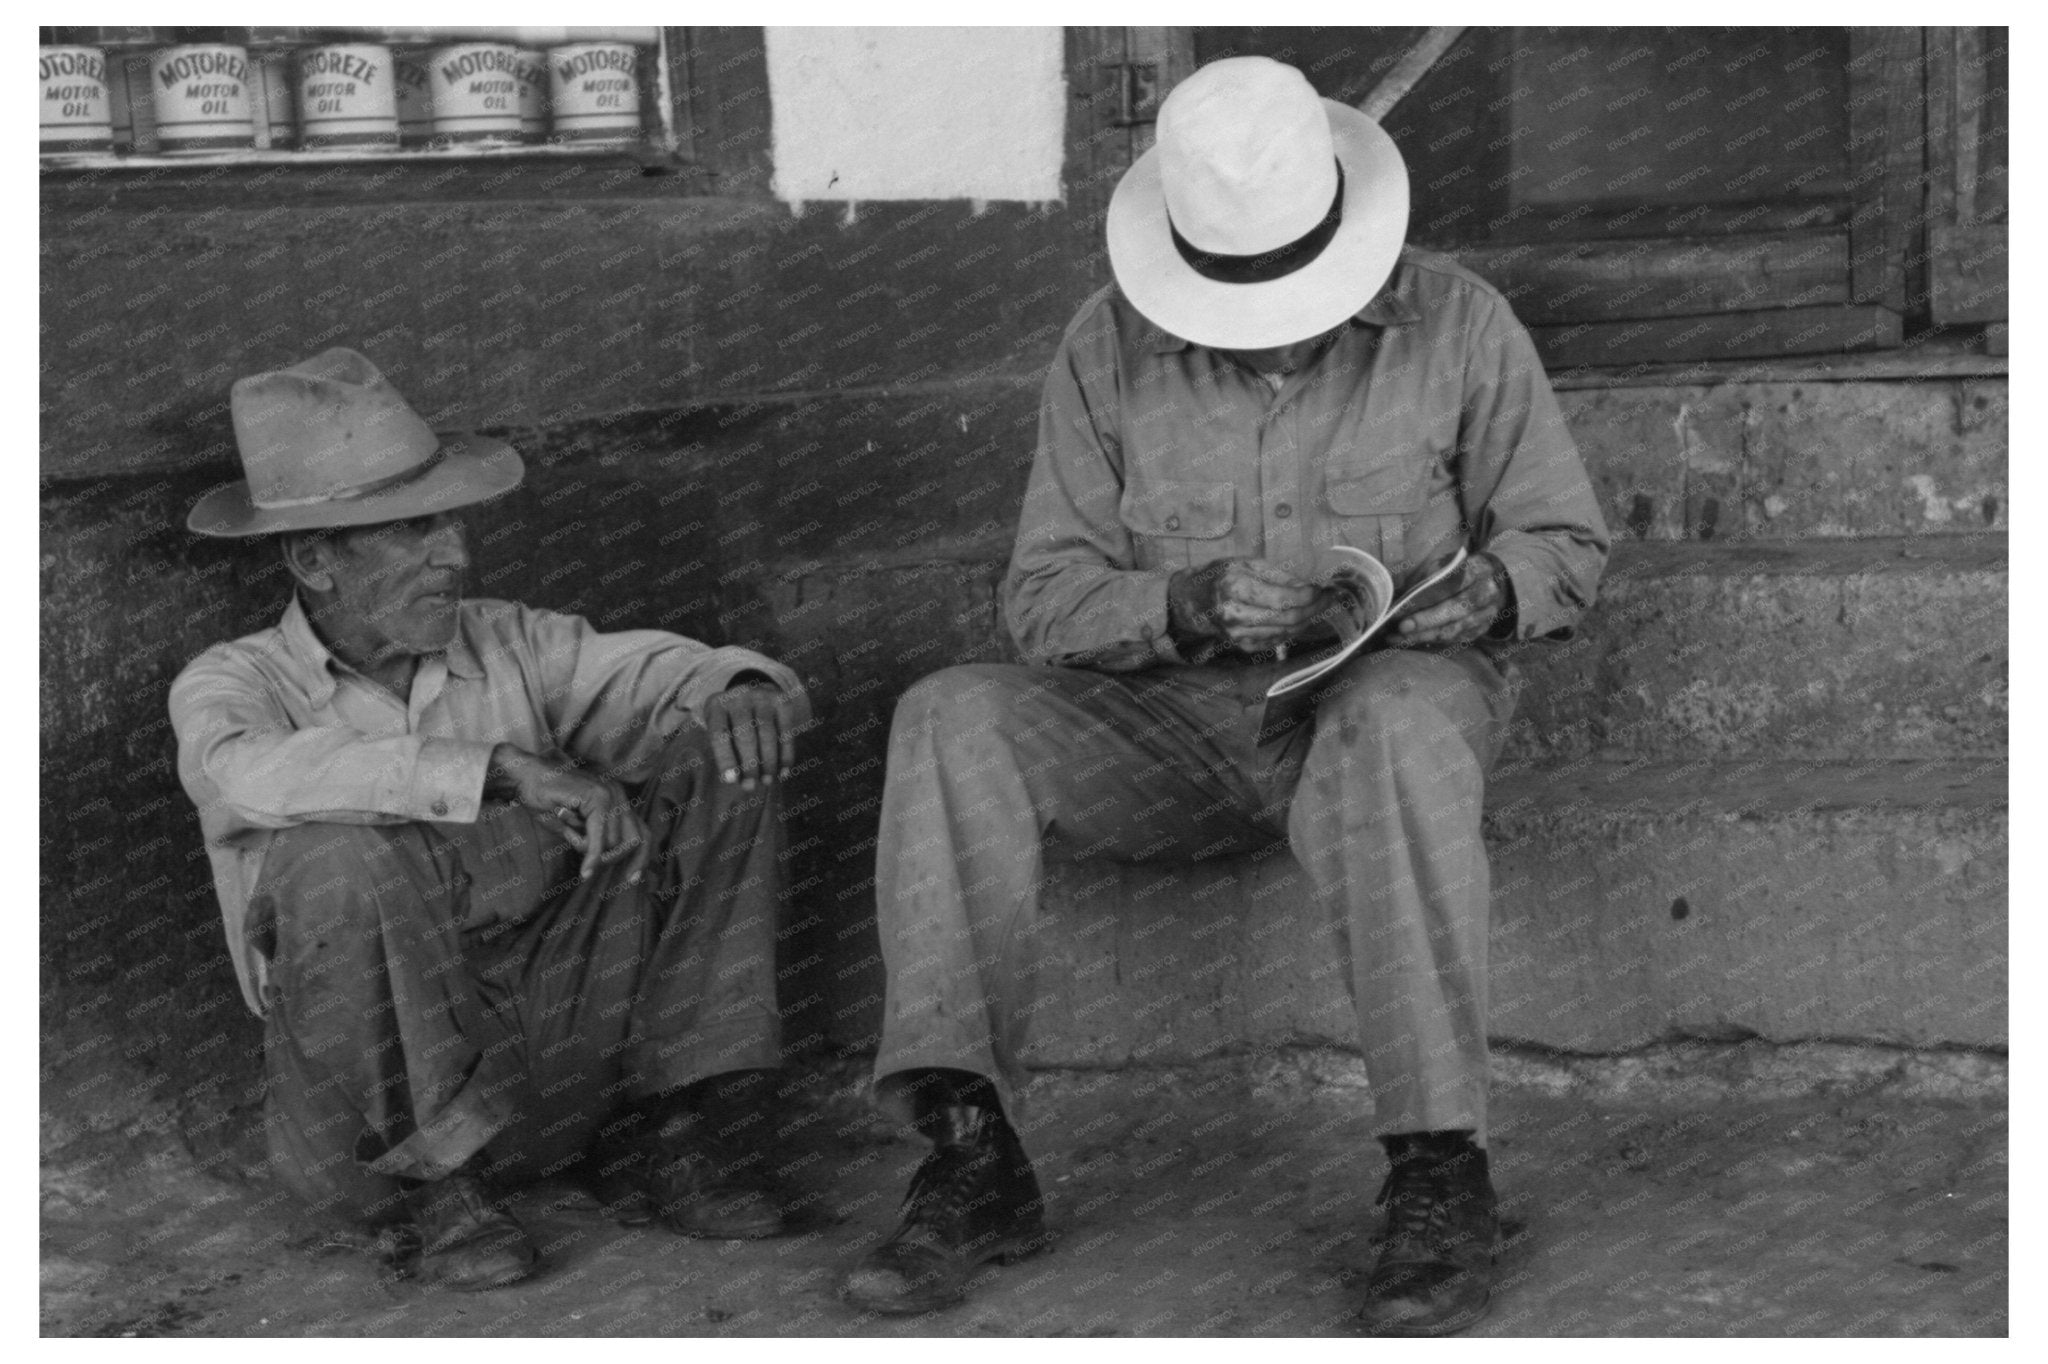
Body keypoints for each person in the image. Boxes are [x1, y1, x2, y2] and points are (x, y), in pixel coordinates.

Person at [837, 56, 1609, 1335]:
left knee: (1395, 722)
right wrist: (1176, 605)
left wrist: (1496, 592)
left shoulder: (1463, 324)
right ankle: (970, 1153)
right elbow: (1039, 598)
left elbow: (1565, 544)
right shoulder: (1103, 346)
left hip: (1384, 714)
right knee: (946, 713)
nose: (1279, 328)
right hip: (1177, 730)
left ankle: (1437, 1167)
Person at [170, 348, 810, 1290]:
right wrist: (496, 771)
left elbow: (645, 672)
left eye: (452, 523)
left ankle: (679, 1130)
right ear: (314, 559)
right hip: (369, 1127)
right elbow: (243, 775)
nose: (456, 555)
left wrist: (736, 684)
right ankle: (440, 1197)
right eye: (414, 530)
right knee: (333, 854)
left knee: (719, 751)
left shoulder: (505, 637)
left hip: (557, 1060)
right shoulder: (232, 684)